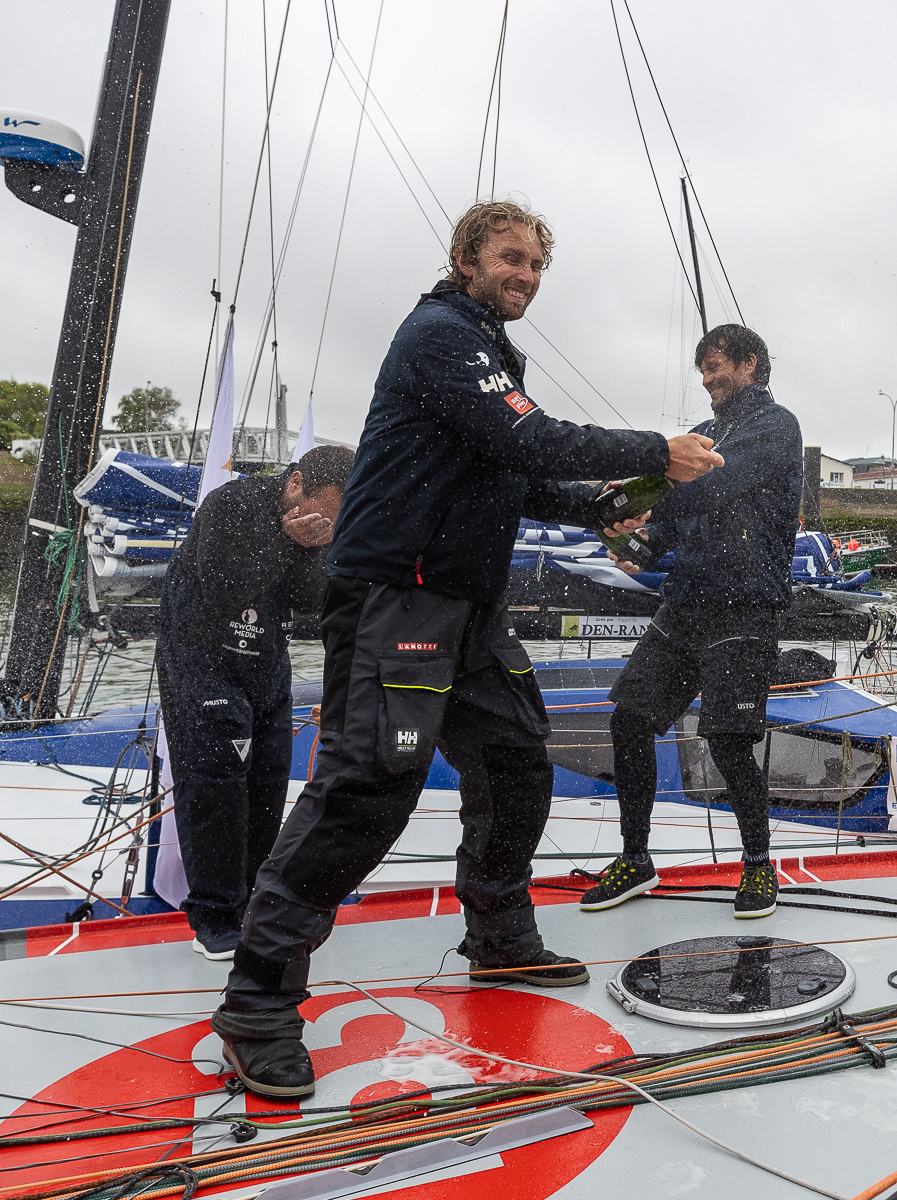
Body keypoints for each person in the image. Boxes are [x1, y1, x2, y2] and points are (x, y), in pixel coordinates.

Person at [209, 199, 723, 1099]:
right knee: (368, 787)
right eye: (510, 258)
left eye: (536, 265)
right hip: (398, 594)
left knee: (520, 759)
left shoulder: (487, 350)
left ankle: (500, 939)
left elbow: (507, 471)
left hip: (467, 606)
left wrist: (604, 502)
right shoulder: (441, 334)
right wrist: (654, 448)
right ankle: (256, 1003)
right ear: (468, 258)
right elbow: (524, 436)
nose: (524, 275)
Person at [582, 324, 802, 918]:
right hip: (688, 602)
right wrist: (638, 541)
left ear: (751, 364)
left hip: (747, 605)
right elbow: (672, 528)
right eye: (702, 370)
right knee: (630, 720)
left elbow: (721, 486)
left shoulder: (777, 428)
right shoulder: (701, 434)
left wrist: (648, 499)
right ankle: (636, 859)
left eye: (718, 367)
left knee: (729, 742)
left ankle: (759, 864)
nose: (708, 380)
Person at [156, 445, 356, 960]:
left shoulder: (319, 529)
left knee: (269, 780)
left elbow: (312, 604)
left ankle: (253, 902)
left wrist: (314, 550)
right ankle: (214, 914)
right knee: (215, 783)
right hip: (200, 655)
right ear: (296, 485)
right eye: (325, 512)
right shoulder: (232, 504)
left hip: (267, 658)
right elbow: (227, 589)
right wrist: (288, 540)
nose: (325, 525)